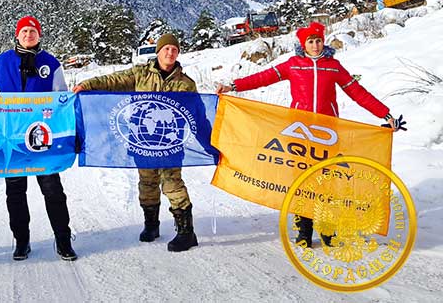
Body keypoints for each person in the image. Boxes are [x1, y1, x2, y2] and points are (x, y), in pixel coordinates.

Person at [216, 21, 404, 247]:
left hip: (327, 134)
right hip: (300, 133)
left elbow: (357, 92)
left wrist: (385, 114)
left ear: (323, 42)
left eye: (318, 41)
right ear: (303, 44)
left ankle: (327, 232)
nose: (315, 46)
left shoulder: (333, 66)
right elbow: (262, 78)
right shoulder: (292, 65)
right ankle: (303, 232)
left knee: (327, 184)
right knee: (302, 183)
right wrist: (233, 86)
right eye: (310, 41)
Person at [0, 15, 77, 261]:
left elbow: (62, 97)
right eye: (24, 31)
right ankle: (22, 240)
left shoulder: (51, 63)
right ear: (17, 35)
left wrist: (68, 131)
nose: (28, 35)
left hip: (41, 138)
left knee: (53, 190)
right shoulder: (1, 62)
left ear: (39, 35)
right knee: (15, 191)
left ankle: (63, 239)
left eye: (33, 31)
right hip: (11, 138)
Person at [73, 33, 200, 252]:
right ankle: (151, 225)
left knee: (172, 184)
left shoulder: (186, 84)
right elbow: (113, 80)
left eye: (174, 50)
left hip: (170, 143)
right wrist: (88, 85)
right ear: (158, 52)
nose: (170, 53)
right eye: (166, 49)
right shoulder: (140, 74)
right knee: (147, 183)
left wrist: (209, 140)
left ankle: (186, 233)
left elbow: (198, 112)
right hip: (142, 140)